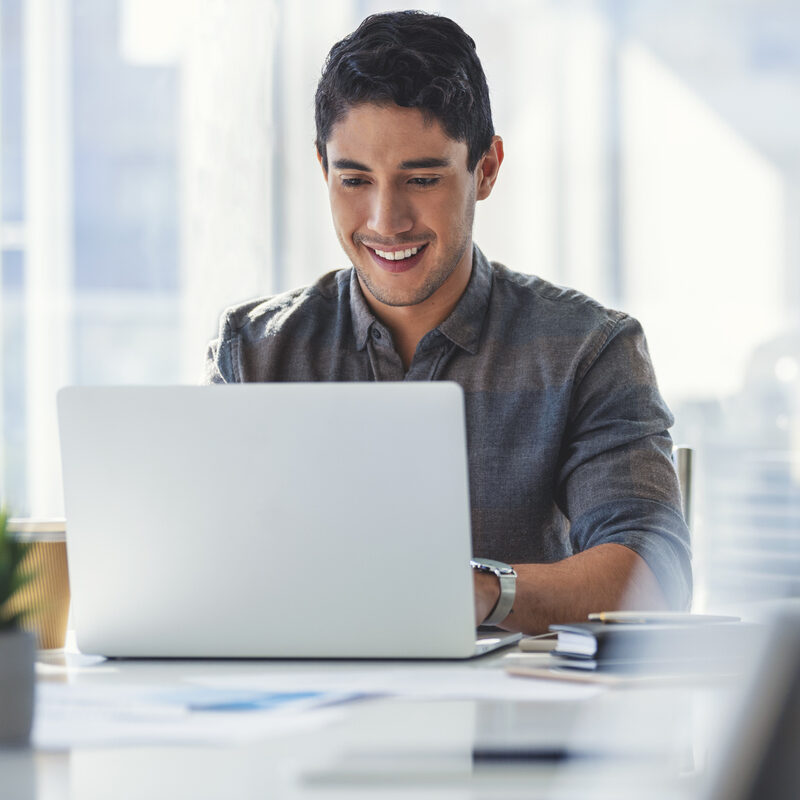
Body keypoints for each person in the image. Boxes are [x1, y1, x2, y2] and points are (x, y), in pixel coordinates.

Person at [205, 10, 692, 635]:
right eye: (354, 179)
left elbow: (656, 577)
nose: (387, 219)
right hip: (311, 712)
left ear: (485, 169)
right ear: (322, 168)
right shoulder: (254, 352)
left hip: (515, 719)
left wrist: (480, 592)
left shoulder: (587, 350)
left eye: (423, 178)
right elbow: (213, 570)